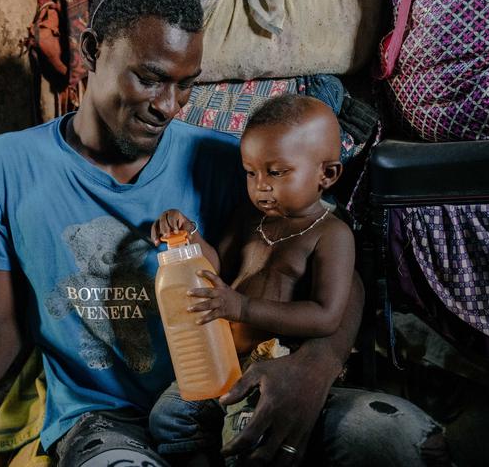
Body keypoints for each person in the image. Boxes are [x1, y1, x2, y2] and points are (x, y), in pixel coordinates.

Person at [0, 0, 449, 466]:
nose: (168, 106)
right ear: (94, 50)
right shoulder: (6, 167)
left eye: (185, 85)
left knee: (396, 438)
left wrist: (314, 370)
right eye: (149, 78)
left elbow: (331, 263)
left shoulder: (222, 161)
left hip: (230, 393)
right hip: (103, 419)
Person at [149, 95, 355, 464]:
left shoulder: (331, 235)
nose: (260, 186)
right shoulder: (248, 218)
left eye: (276, 173)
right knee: (169, 417)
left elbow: (326, 315)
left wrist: (241, 307)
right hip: (218, 357)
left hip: (269, 369)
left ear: (327, 174)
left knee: (245, 436)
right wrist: (189, 237)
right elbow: (216, 269)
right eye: (250, 172)